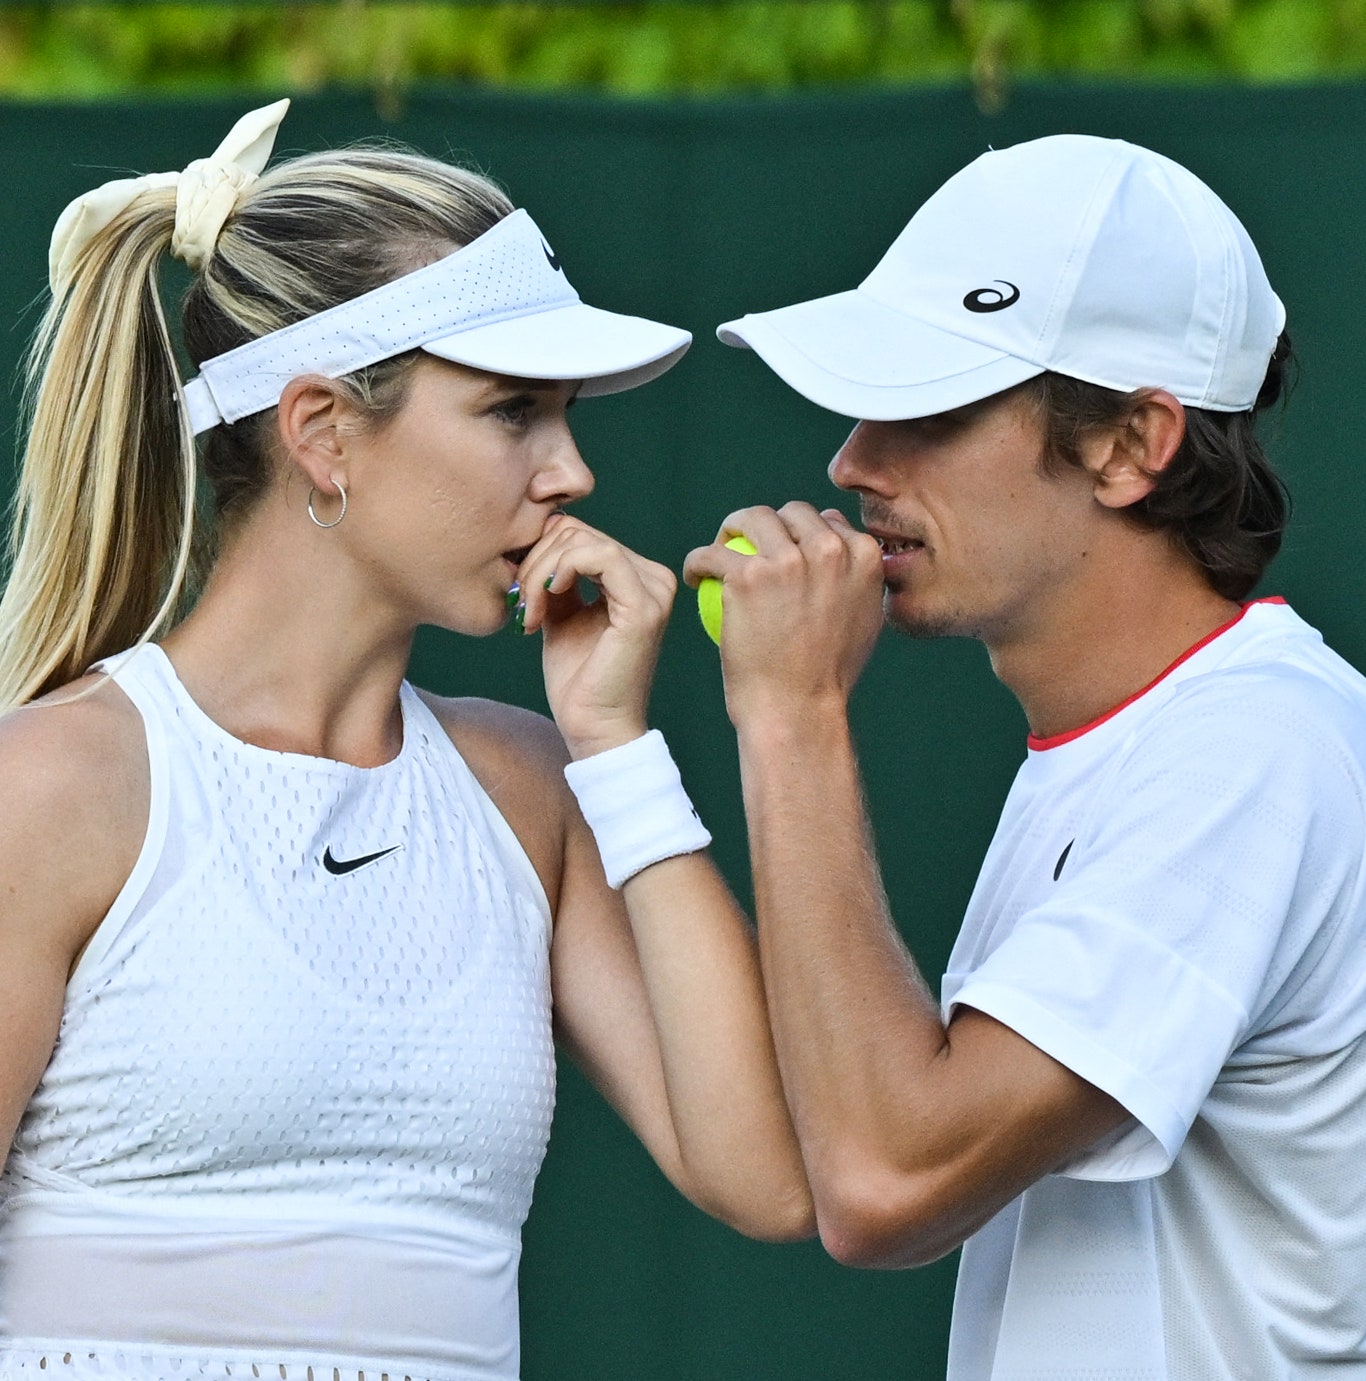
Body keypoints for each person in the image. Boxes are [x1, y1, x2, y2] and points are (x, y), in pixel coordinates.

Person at [0, 100, 812, 1381]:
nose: (571, 473)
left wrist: (611, 744)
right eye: (512, 412)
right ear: (322, 432)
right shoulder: (48, 788)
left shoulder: (535, 790)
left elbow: (766, 1178)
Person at [683, 134, 1366, 1376]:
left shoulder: (1252, 753)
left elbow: (885, 1177)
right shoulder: (1143, 740)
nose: (853, 464)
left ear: (1130, 443)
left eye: (935, 409)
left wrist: (792, 717)